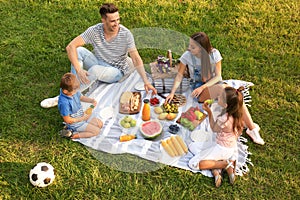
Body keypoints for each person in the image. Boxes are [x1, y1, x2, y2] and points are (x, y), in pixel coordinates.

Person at [40, 3, 157, 108]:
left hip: (116, 72)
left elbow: (136, 58)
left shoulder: (126, 34)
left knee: (94, 70)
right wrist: (79, 69)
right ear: (103, 20)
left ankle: (66, 96)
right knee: (79, 50)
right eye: (112, 21)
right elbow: (70, 47)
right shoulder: (95, 31)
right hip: (99, 62)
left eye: (118, 19)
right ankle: (72, 87)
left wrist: (146, 81)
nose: (117, 24)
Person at [165, 32, 264, 145]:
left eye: (193, 46)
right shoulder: (187, 56)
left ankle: (251, 128)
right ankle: (251, 128)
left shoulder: (214, 54)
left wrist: (204, 87)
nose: (189, 48)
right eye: (189, 45)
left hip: (213, 84)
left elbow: (218, 77)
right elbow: (179, 75)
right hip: (199, 89)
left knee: (235, 95)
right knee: (227, 90)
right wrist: (172, 93)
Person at [188, 86, 245, 187]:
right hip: (227, 146)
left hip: (221, 148)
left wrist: (209, 112)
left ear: (225, 104)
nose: (217, 97)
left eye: (220, 97)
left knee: (193, 163)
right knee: (193, 147)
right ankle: (220, 167)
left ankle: (225, 164)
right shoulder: (237, 115)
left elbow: (214, 129)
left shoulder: (224, 119)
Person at [58, 73, 103, 139]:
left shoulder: (74, 92)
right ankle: (73, 135)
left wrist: (91, 101)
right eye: (75, 89)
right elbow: (67, 120)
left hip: (82, 117)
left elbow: (80, 97)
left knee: (100, 124)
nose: (77, 91)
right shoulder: (64, 103)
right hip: (75, 123)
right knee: (97, 131)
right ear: (65, 91)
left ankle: (71, 129)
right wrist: (81, 119)